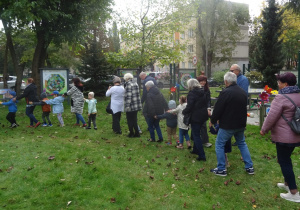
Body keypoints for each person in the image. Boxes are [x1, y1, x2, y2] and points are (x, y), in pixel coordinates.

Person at [260, 72, 300, 203]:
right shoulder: (298, 94)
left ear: (286, 84)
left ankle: (294, 193)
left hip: (284, 136)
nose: (278, 84)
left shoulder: (281, 98)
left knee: (284, 161)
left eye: (279, 82)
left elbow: (271, 116)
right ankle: (287, 184)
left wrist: (263, 129)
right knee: (286, 159)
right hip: (296, 133)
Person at [210, 72, 254, 176]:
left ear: (226, 81)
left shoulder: (226, 92)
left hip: (228, 124)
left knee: (219, 144)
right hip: (240, 124)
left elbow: (218, 108)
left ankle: (221, 168)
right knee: (242, 143)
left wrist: (212, 120)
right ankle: (249, 167)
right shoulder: (243, 92)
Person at [182, 79, 208, 161]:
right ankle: (195, 150)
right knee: (196, 133)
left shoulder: (191, 93)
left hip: (195, 116)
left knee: (196, 135)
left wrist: (184, 111)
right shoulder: (203, 91)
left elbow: (190, 106)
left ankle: (201, 155)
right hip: (203, 115)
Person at [229, 64, 249, 146]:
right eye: (230, 71)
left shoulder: (243, 79)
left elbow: (243, 93)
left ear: (238, 70)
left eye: (232, 71)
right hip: (232, 103)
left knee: (238, 123)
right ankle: (237, 139)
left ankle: (240, 140)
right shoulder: (233, 78)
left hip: (239, 105)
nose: (230, 72)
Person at [124, 73, 142, 137]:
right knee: (134, 120)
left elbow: (129, 96)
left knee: (129, 120)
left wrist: (127, 106)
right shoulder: (135, 83)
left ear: (126, 78)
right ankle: (137, 133)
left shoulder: (128, 84)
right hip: (136, 105)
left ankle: (131, 133)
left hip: (131, 106)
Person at [197, 75, 212, 148]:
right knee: (196, 125)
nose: (203, 82)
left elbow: (208, 100)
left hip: (204, 110)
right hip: (197, 110)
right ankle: (195, 138)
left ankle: (205, 141)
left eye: (204, 81)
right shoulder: (195, 89)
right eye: (201, 81)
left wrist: (208, 108)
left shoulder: (207, 90)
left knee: (203, 125)